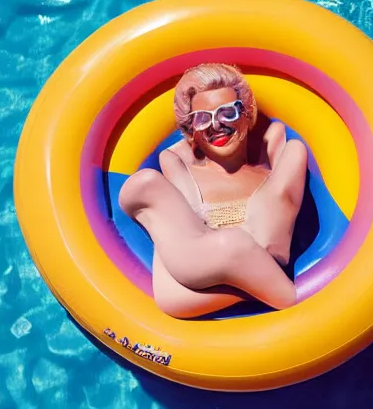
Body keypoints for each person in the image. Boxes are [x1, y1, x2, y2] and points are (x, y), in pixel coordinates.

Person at [119, 63, 308, 318]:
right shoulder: (182, 168)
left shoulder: (268, 167)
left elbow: (277, 138)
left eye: (227, 113)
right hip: (199, 272)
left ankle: (267, 279)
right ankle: (260, 283)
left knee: (296, 150)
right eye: (202, 118)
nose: (216, 125)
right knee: (143, 184)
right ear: (191, 130)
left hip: (264, 250)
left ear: (246, 113)